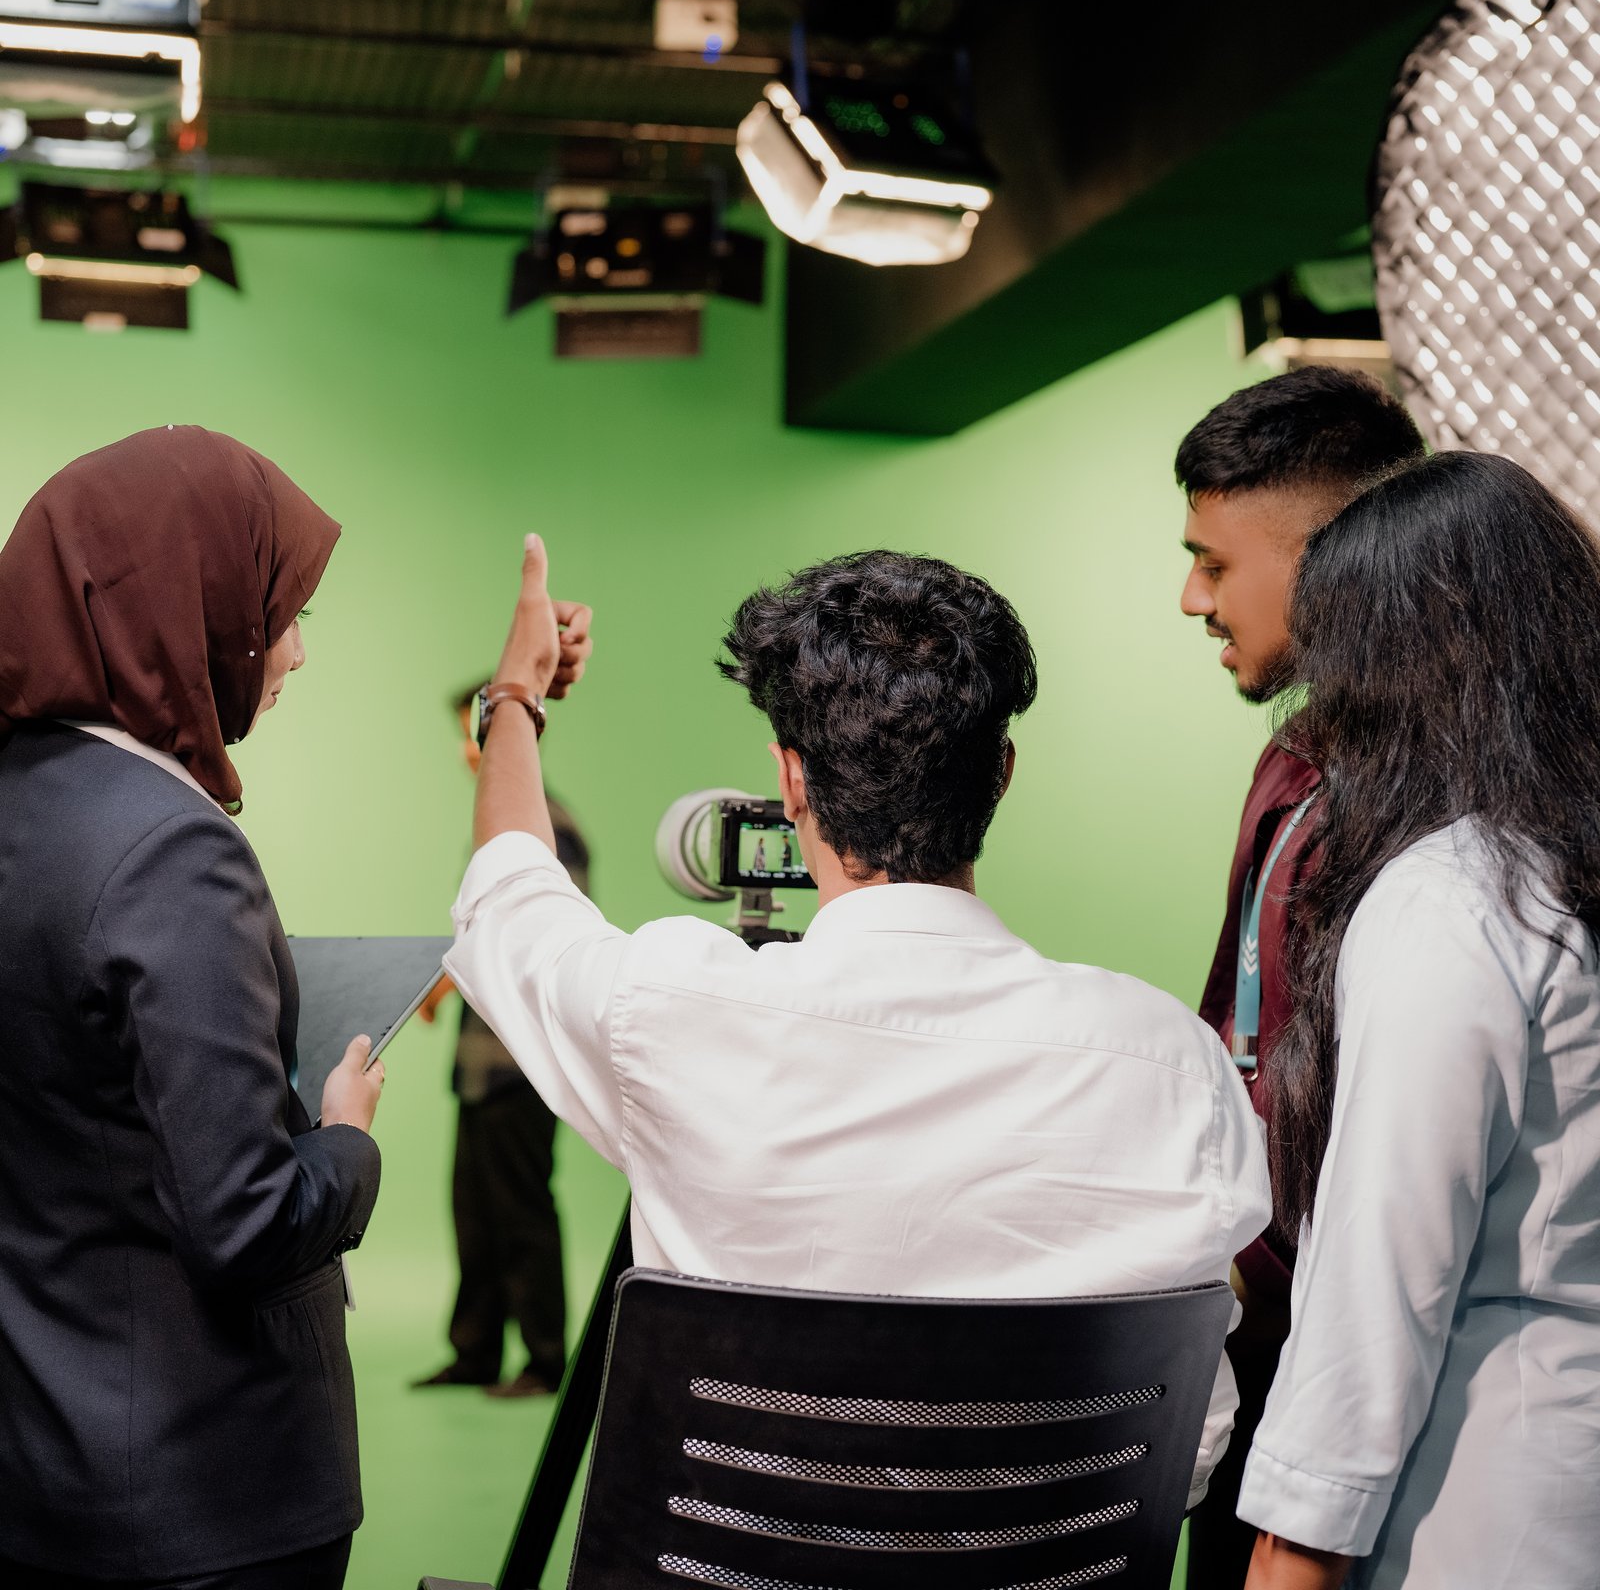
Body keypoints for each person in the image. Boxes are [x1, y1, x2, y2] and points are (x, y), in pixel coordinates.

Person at [446, 537, 1272, 1509]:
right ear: (1000, 773)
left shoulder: (668, 1009)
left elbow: (509, 897)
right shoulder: (1175, 1065)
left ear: (791, 781)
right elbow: (1192, 1447)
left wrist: (515, 697)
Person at [0, 428, 386, 1589]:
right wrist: (347, 1139)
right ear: (188, 603)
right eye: (280, 610)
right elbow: (245, 1222)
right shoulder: (172, 848)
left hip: (41, 1468)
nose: (297, 648)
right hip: (203, 1500)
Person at [1236, 451, 1600, 1588]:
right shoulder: (1564, 872)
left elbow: (1382, 1267)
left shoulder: (1455, 895)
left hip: (1486, 1501)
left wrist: (1290, 1556)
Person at [1174, 368, 1425, 1589]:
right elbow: (1235, 1026)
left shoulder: (1445, 810)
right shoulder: (1292, 761)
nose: (1190, 598)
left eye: (1213, 563)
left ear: (1330, 562)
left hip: (1366, 1359)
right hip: (1245, 1339)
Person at [411, 681, 591, 1398]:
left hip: (522, 1062)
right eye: (465, 735)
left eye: (479, 734)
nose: (469, 751)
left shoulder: (551, 833)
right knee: (475, 1212)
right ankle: (476, 1350)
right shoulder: (502, 835)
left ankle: (545, 1360)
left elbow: (533, 939)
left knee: (521, 1211)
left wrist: (446, 979)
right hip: (481, 1061)